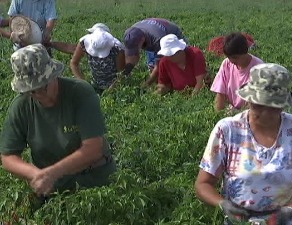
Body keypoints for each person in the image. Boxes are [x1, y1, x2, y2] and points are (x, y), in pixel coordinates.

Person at [0, 44, 116, 200]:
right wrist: (37, 174)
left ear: (54, 75)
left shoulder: (80, 93)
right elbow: (8, 157)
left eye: (44, 87)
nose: (40, 94)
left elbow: (93, 148)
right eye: (33, 91)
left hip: (93, 179)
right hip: (51, 187)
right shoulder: (21, 106)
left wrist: (53, 172)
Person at [195, 63, 292, 225]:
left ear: (283, 104)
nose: (265, 113)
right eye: (258, 105)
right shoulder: (228, 130)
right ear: (248, 99)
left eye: (273, 107)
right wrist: (223, 204)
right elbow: (203, 183)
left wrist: (291, 210)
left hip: (288, 219)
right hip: (240, 219)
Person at [122, 18, 184, 86]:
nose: (135, 50)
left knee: (175, 62)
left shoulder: (157, 38)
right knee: (152, 66)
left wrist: (146, 84)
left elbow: (158, 65)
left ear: (142, 39)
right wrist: (124, 74)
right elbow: (132, 57)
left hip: (171, 34)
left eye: (136, 47)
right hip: (151, 34)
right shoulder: (130, 35)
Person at [210, 32, 263, 112]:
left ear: (245, 52)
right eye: (229, 57)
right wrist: (218, 113)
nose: (232, 61)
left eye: (235, 57)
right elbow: (220, 94)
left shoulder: (259, 67)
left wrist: (239, 114)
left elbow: (257, 101)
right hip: (230, 110)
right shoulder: (226, 64)